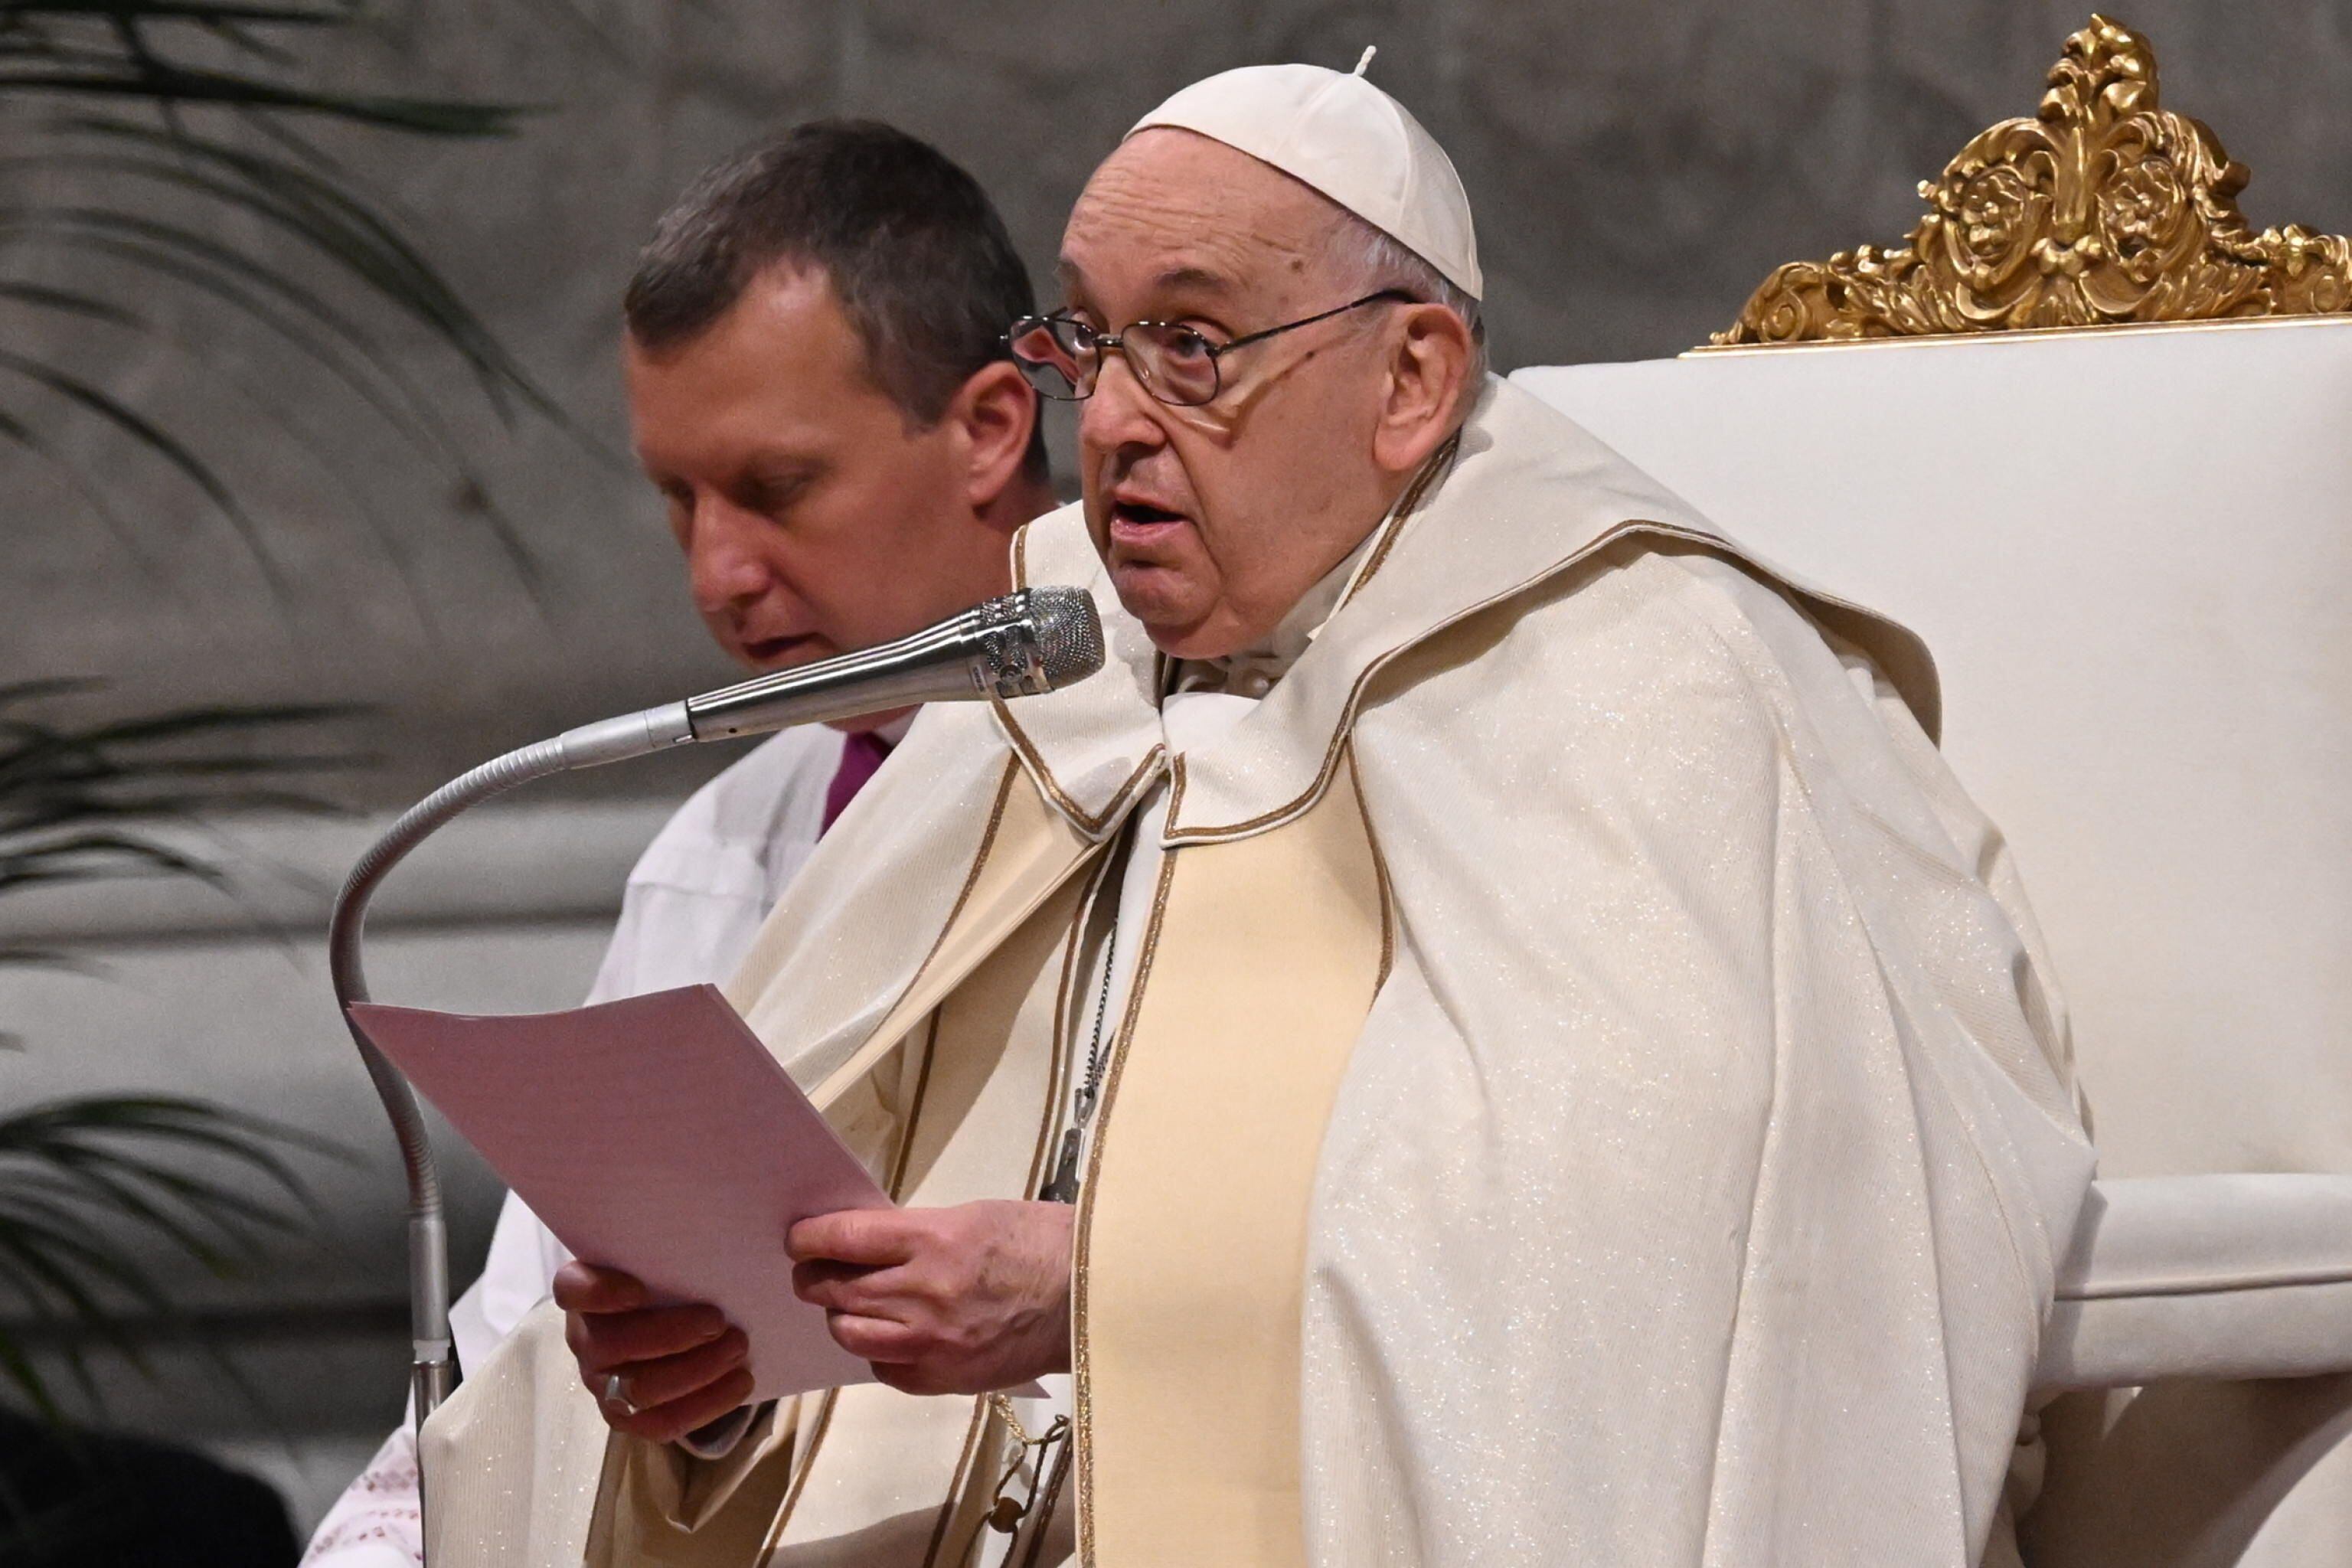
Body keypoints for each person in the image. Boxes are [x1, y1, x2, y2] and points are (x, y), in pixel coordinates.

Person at [439, 58, 2094, 1568]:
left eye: (1195, 345)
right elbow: (848, 1263)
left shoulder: (1633, 680)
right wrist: (725, 1388)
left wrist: (1101, 1288)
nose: (1123, 425)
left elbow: (1689, 1264)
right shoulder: (1054, 674)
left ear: (1412, 379)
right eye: (1091, 343)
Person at [299, 118, 1055, 1566]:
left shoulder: (1191, 769)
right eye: (677, 498)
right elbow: (534, 1331)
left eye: (774, 491)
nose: (719, 572)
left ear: (988, 428)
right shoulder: (731, 834)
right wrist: (681, 1397)